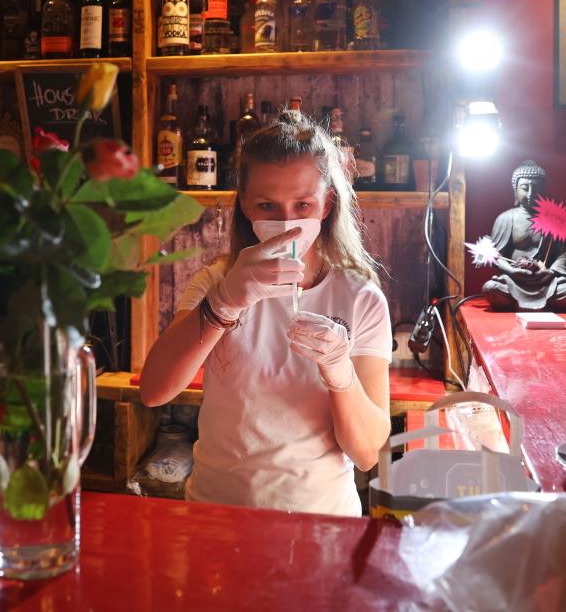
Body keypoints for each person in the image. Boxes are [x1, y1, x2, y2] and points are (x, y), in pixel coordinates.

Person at [139, 111, 391, 516]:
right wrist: (222, 304)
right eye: (267, 206)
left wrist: (340, 373)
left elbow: (366, 454)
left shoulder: (360, 298)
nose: (287, 222)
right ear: (245, 206)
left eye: (302, 205)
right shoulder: (215, 282)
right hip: (218, 517)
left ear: (326, 205)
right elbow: (154, 392)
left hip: (322, 521)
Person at [481, 160, 566, 313]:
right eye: (525, 188)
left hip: (546, 281)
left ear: (543, 190)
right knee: (491, 288)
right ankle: (538, 304)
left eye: (536, 188)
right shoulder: (506, 218)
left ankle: (533, 302)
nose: (530, 194)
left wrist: (551, 272)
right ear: (515, 190)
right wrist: (511, 271)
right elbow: (496, 256)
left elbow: (562, 256)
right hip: (515, 280)